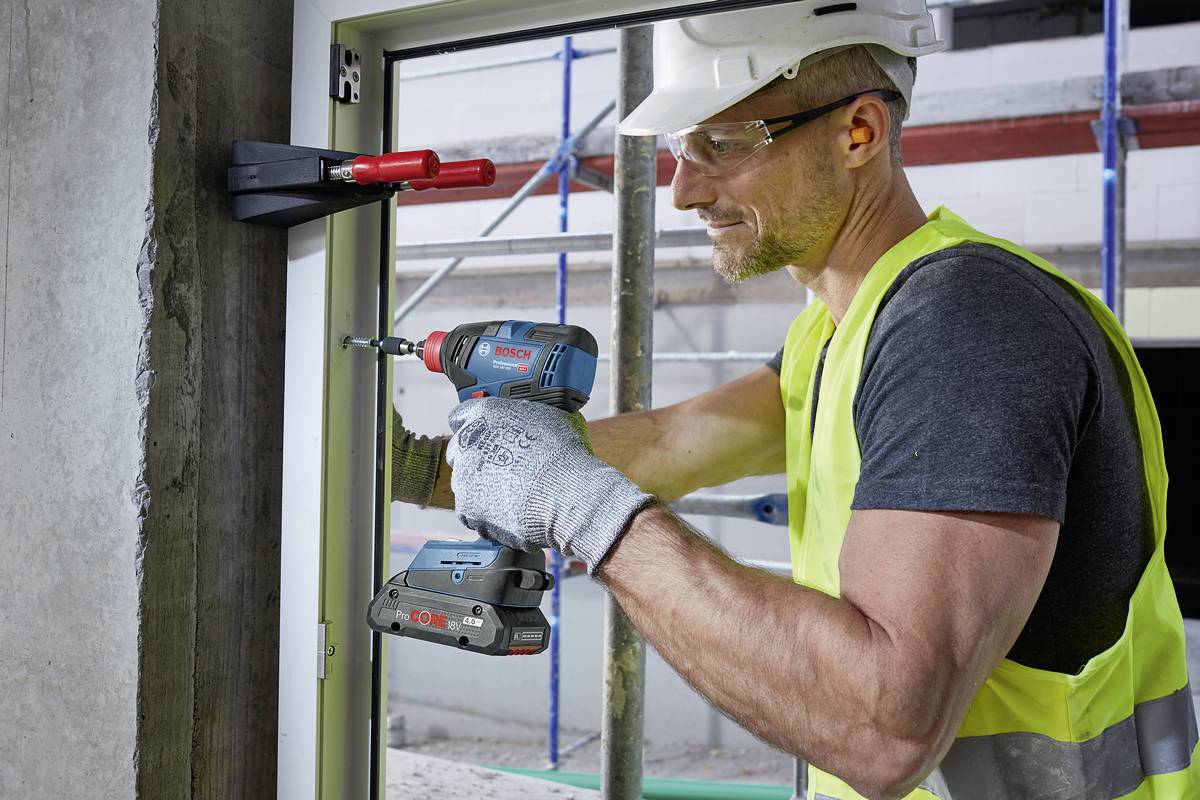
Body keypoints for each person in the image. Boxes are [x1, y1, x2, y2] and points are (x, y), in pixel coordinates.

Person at [391, 2, 1198, 797]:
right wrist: (429, 467)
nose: (684, 191)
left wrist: (581, 509)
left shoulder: (966, 321)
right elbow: (679, 441)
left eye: (722, 143)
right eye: (680, 147)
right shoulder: (843, 329)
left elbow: (885, 728)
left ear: (860, 132)